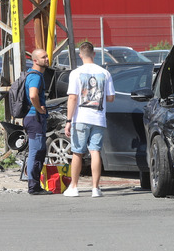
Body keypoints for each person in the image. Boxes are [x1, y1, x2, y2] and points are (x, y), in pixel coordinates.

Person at [63, 42, 116, 198]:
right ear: (94, 54)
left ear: (80, 55)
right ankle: (95, 188)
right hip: (98, 118)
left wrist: (68, 120)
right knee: (95, 152)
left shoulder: (76, 73)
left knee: (77, 153)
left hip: (80, 118)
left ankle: (74, 187)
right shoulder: (105, 73)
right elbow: (111, 98)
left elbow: (72, 98)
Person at [24, 48, 53, 195]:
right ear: (35, 60)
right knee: (36, 152)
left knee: (39, 151)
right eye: (43, 57)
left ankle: (35, 185)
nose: (47, 59)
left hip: (33, 118)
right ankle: (33, 187)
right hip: (35, 118)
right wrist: (39, 109)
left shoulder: (33, 74)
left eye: (47, 56)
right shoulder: (35, 76)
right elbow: (33, 95)